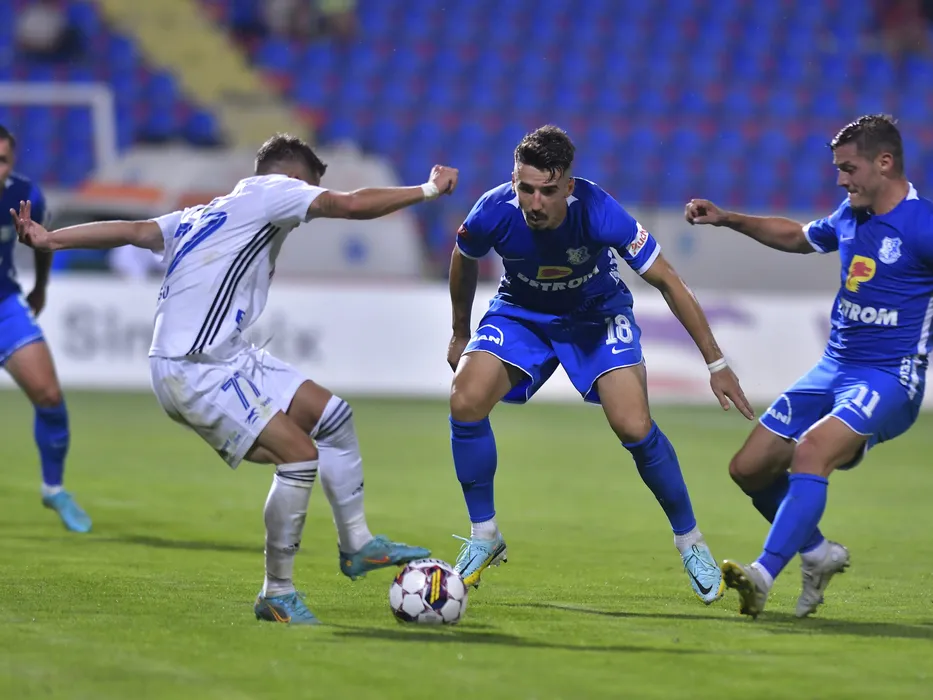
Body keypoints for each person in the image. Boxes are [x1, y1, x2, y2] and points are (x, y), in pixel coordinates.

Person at [12, 133, 459, 625]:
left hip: (226, 355)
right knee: (299, 456)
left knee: (332, 416)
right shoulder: (276, 192)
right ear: (294, 177)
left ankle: (357, 544)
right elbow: (348, 205)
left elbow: (134, 230)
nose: (308, 203)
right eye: (309, 187)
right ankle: (277, 593)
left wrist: (52, 238)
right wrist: (426, 190)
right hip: (193, 366)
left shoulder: (205, 212)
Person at [445, 125, 754, 604]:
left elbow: (669, 281)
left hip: (597, 314)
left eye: (548, 191)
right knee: (465, 401)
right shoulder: (492, 210)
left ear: (569, 186)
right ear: (514, 180)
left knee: (633, 425)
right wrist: (460, 332)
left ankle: (690, 542)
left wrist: (716, 363)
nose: (535, 203)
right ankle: (484, 535)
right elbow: (463, 258)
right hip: (522, 313)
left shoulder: (599, 211)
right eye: (526, 188)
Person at [684, 114, 933, 618]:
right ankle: (818, 553)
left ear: (885, 163)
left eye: (849, 168)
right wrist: (728, 218)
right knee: (749, 469)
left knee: (812, 452)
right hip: (833, 367)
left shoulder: (923, 226)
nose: (840, 179)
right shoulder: (852, 214)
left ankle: (763, 574)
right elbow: (798, 236)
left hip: (891, 375)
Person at [0, 125, 92, 533]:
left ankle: (54, 489)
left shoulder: (26, 195)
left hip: (4, 305)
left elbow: (44, 240)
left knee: (50, 396)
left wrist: (40, 286)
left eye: (2, 160)